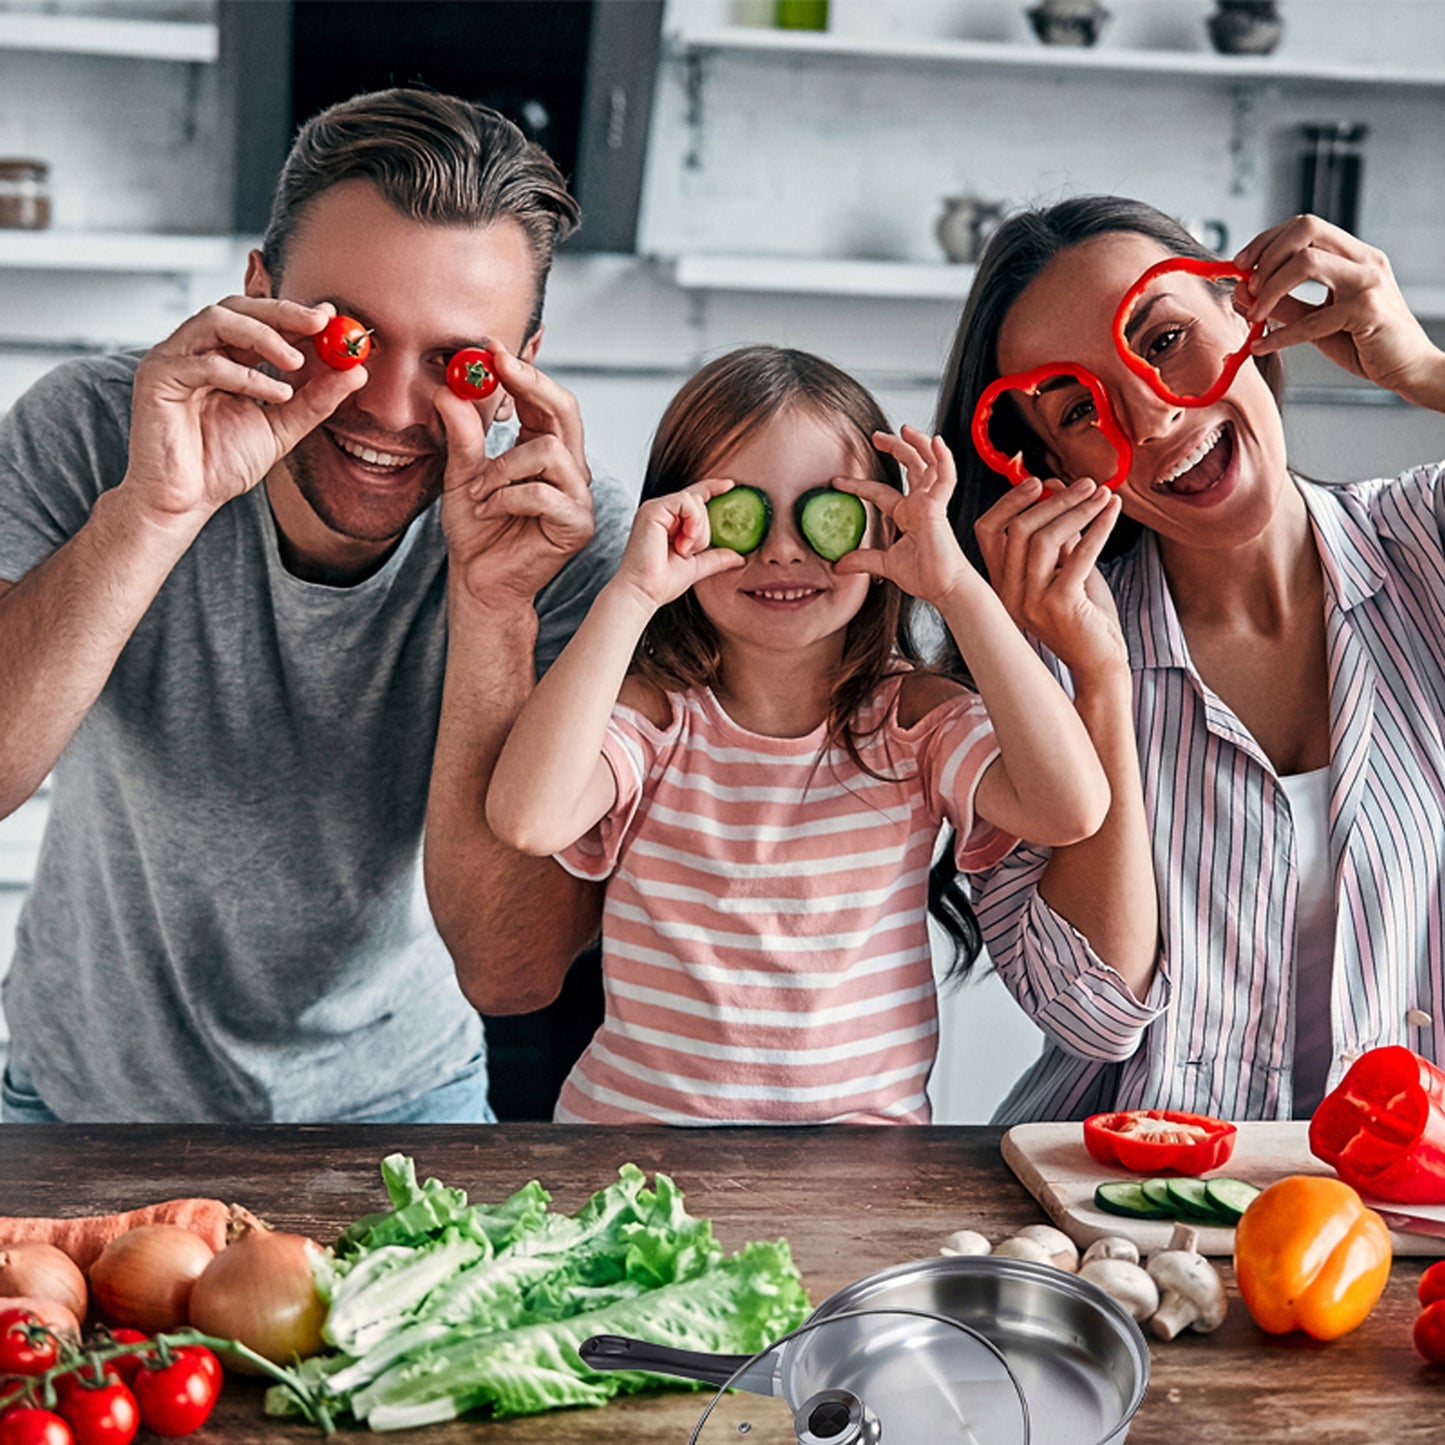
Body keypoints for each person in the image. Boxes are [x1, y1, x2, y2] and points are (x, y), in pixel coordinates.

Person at [0, 88, 630, 1122]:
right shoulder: (91, 431)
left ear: (525, 361)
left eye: (457, 363)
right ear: (256, 291)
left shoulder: (559, 532)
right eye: (348, 335)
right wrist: (157, 510)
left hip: (402, 1102)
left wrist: (492, 606)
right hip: (79, 1100)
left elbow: (509, 970)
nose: (385, 407)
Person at [485, 345, 1113, 1124]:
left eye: (822, 511)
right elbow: (525, 817)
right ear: (676, 520)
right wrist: (632, 590)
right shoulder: (655, 717)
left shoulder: (909, 720)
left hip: (855, 1172)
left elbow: (1071, 808)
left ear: (883, 523)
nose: (782, 548)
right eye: (739, 513)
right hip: (633, 1157)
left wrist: (954, 584)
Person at [939, 195, 1445, 1124]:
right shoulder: (1033, 668)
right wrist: (1100, 678)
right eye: (1079, 408)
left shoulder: (1427, 545)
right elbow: (1090, 1015)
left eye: (1163, 340)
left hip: (1402, 1206)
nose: (1152, 414)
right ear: (1048, 465)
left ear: (1246, 317)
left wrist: (1425, 372)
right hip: (1124, 1204)